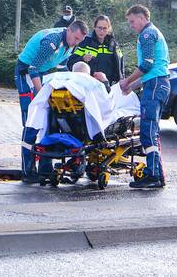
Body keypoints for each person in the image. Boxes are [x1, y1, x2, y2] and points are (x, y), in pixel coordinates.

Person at [16, 20, 88, 182]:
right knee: (31, 120)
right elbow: (32, 68)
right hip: (26, 72)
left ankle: (45, 167)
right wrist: (40, 93)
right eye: (75, 39)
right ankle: (27, 171)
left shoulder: (71, 42)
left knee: (48, 117)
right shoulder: (52, 41)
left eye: (80, 41)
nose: (76, 43)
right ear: (69, 30)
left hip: (41, 72)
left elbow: (62, 68)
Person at [118, 4, 170, 189]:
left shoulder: (147, 35)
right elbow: (152, 71)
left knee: (147, 131)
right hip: (158, 83)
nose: (131, 25)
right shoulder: (155, 33)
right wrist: (132, 86)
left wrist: (127, 82)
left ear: (142, 17)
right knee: (152, 131)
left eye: (132, 21)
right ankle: (158, 174)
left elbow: (147, 65)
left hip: (154, 87)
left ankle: (153, 176)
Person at [66, 14, 123, 86]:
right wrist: (83, 58)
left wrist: (120, 82)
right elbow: (70, 63)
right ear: (95, 27)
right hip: (88, 84)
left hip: (108, 85)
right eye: (99, 28)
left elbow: (120, 65)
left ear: (109, 28)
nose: (101, 31)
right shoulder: (85, 43)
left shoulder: (113, 44)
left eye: (105, 28)